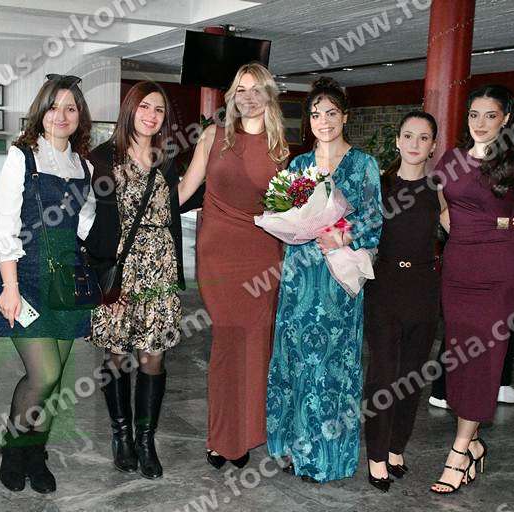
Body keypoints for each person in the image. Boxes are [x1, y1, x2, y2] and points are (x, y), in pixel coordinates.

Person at [430, 85, 514, 494]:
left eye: (490, 115)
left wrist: (512, 242)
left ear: (506, 119)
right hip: (457, 269)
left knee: (483, 357)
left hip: (498, 274)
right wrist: (446, 217)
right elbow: (440, 198)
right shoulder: (452, 159)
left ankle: (458, 452)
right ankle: (475, 443)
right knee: (459, 356)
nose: (480, 123)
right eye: (474, 115)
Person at [264, 77, 382, 484]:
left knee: (333, 364)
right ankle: (292, 446)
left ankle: (326, 456)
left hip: (338, 279)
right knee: (296, 360)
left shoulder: (364, 165)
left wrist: (343, 234)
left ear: (345, 117)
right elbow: (284, 214)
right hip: (300, 276)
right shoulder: (298, 166)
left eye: (331, 113)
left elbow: (375, 219)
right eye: (316, 114)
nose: (324, 121)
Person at [0, 75, 94, 494]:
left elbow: (84, 224)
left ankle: (36, 454)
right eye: (53, 107)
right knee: (43, 373)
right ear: (40, 111)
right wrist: (9, 287)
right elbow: (4, 224)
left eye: (70, 108)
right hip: (25, 278)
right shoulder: (22, 157)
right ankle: (14, 451)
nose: (61, 115)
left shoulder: (84, 166)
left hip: (66, 281)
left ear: (80, 115)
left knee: (56, 377)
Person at [178, 62, 289, 468]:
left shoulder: (280, 149)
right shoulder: (212, 136)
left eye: (256, 89)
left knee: (256, 346)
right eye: (241, 89)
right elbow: (184, 190)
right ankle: (222, 437)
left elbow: (285, 211)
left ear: (269, 95)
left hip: (263, 255)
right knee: (228, 343)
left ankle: (243, 435)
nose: (248, 97)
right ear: (232, 96)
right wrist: (138, 207)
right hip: (218, 255)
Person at [81, 81, 188, 480]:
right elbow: (86, 216)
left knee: (153, 355)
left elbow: (177, 202)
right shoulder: (102, 158)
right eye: (144, 106)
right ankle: (121, 435)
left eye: (158, 109)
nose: (151, 115)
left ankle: (146, 440)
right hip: (119, 268)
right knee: (116, 354)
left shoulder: (167, 157)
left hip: (159, 267)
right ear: (130, 109)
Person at [363, 111, 439, 491]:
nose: (414, 144)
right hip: (385, 286)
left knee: (412, 375)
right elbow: (356, 228)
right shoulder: (380, 185)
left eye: (423, 138)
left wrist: (510, 220)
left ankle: (396, 448)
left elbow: (463, 227)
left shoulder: (440, 189)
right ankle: (376, 455)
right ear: (397, 141)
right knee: (383, 374)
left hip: (424, 288)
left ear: (433, 146)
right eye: (408, 136)